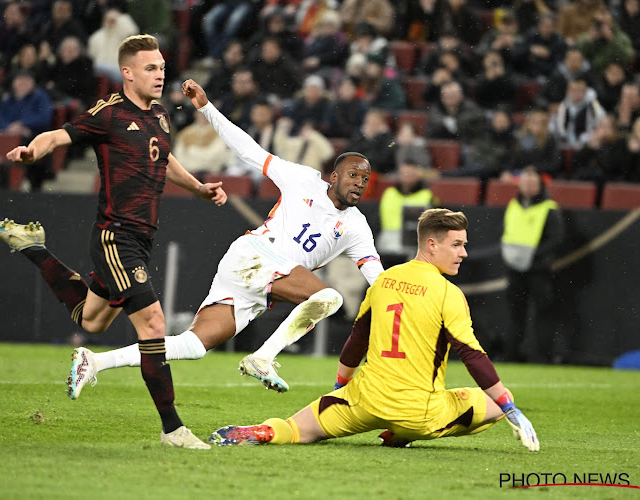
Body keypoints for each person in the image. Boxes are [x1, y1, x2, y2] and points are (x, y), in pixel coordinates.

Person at [0, 35, 227, 450]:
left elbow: (164, 161)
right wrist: (31, 151)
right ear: (127, 73)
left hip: (141, 239)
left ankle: (33, 247)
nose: (160, 73)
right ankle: (174, 430)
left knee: (92, 320)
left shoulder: (162, 116)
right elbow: (59, 136)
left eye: (162, 66)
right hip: (116, 237)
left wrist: (199, 188)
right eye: (150, 68)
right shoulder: (110, 113)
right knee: (154, 325)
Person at [68, 78, 384, 398]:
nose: (359, 182)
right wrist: (206, 107)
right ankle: (263, 357)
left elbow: (380, 280)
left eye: (365, 178)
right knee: (330, 298)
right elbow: (249, 150)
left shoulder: (357, 228)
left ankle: (94, 361)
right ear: (334, 176)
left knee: (193, 345)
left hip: (259, 286)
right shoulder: (303, 180)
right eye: (353, 174)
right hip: (256, 254)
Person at [207, 208, 540, 453]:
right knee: (495, 404)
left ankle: (263, 432)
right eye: (456, 245)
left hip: (363, 400)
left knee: (296, 429)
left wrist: (340, 390)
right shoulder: (448, 292)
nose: (464, 253)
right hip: (419, 412)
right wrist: (510, 408)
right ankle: (401, 434)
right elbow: (471, 355)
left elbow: (356, 341)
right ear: (432, 245)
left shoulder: (384, 281)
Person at [501, 167, 565, 363]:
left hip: (539, 269)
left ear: (540, 185)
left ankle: (542, 356)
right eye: (525, 182)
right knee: (515, 314)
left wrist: (533, 256)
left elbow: (556, 238)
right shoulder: (513, 205)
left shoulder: (549, 208)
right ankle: (512, 355)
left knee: (543, 314)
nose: (528, 187)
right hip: (515, 268)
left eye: (532, 183)